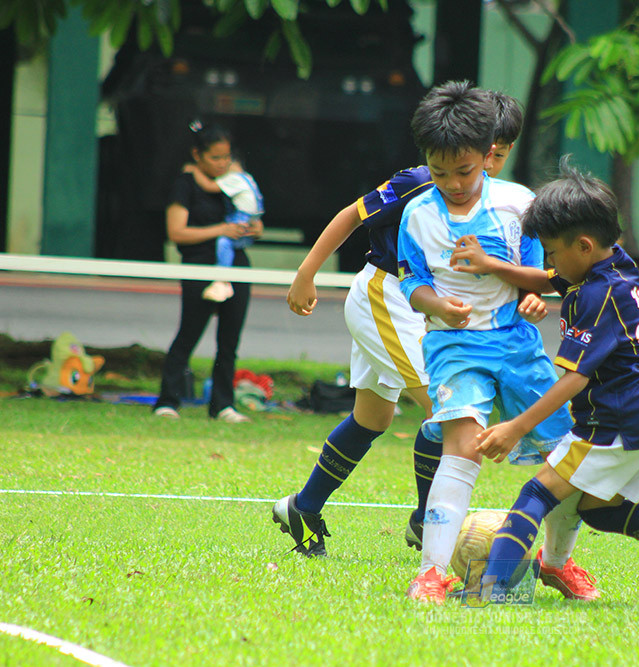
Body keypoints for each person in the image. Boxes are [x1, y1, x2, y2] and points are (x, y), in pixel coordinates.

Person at [271, 89, 532, 560]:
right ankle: (424, 521)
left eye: (498, 154)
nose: (488, 164)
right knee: (449, 408)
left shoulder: (496, 200)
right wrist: (306, 274)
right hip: (387, 297)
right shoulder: (420, 182)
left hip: (424, 309)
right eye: (485, 154)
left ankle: (302, 506)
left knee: (373, 417)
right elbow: (353, 215)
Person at [470, 160, 639, 609]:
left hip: (618, 419)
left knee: (538, 491)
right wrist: (491, 265)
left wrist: (516, 426)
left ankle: (491, 591)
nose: (549, 263)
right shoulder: (615, 266)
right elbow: (547, 279)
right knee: (601, 509)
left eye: (552, 252)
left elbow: (575, 376)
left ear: (584, 245)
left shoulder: (594, 295)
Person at [399, 82, 596, 604]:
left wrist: (532, 295)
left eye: (464, 171)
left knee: (565, 456)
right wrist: (435, 305)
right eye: (439, 173)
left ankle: (556, 564)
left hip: (515, 344)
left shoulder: (518, 205)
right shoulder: (416, 215)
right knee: (461, 449)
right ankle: (432, 573)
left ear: (487, 153)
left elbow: (542, 271)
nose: (453, 183)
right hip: (455, 347)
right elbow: (410, 282)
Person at [153, 122, 262, 423]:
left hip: (236, 265)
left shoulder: (235, 182)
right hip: (200, 264)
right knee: (188, 334)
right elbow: (176, 232)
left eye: (226, 157)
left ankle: (223, 405)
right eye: (215, 158)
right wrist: (221, 230)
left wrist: (252, 228)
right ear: (197, 155)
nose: (222, 164)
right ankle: (168, 400)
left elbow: (254, 217)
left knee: (229, 341)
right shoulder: (184, 185)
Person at [184, 155, 265, 303]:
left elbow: (209, 186)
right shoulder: (248, 178)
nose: (223, 166)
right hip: (252, 217)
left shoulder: (235, 178)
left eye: (228, 162)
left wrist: (194, 170)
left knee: (224, 242)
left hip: (242, 217)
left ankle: (222, 281)